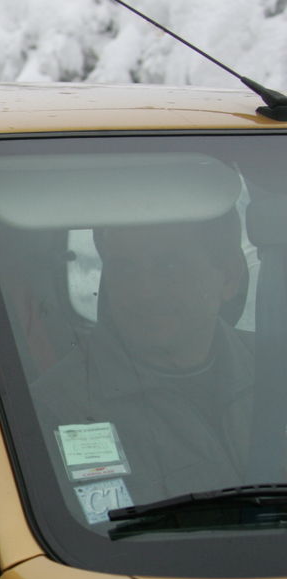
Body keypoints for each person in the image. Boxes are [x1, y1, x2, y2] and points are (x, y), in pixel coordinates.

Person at [31, 211, 253, 524]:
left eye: (169, 266)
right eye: (124, 268)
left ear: (229, 276)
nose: (144, 292)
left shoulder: (277, 369)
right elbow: (95, 544)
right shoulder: (59, 408)